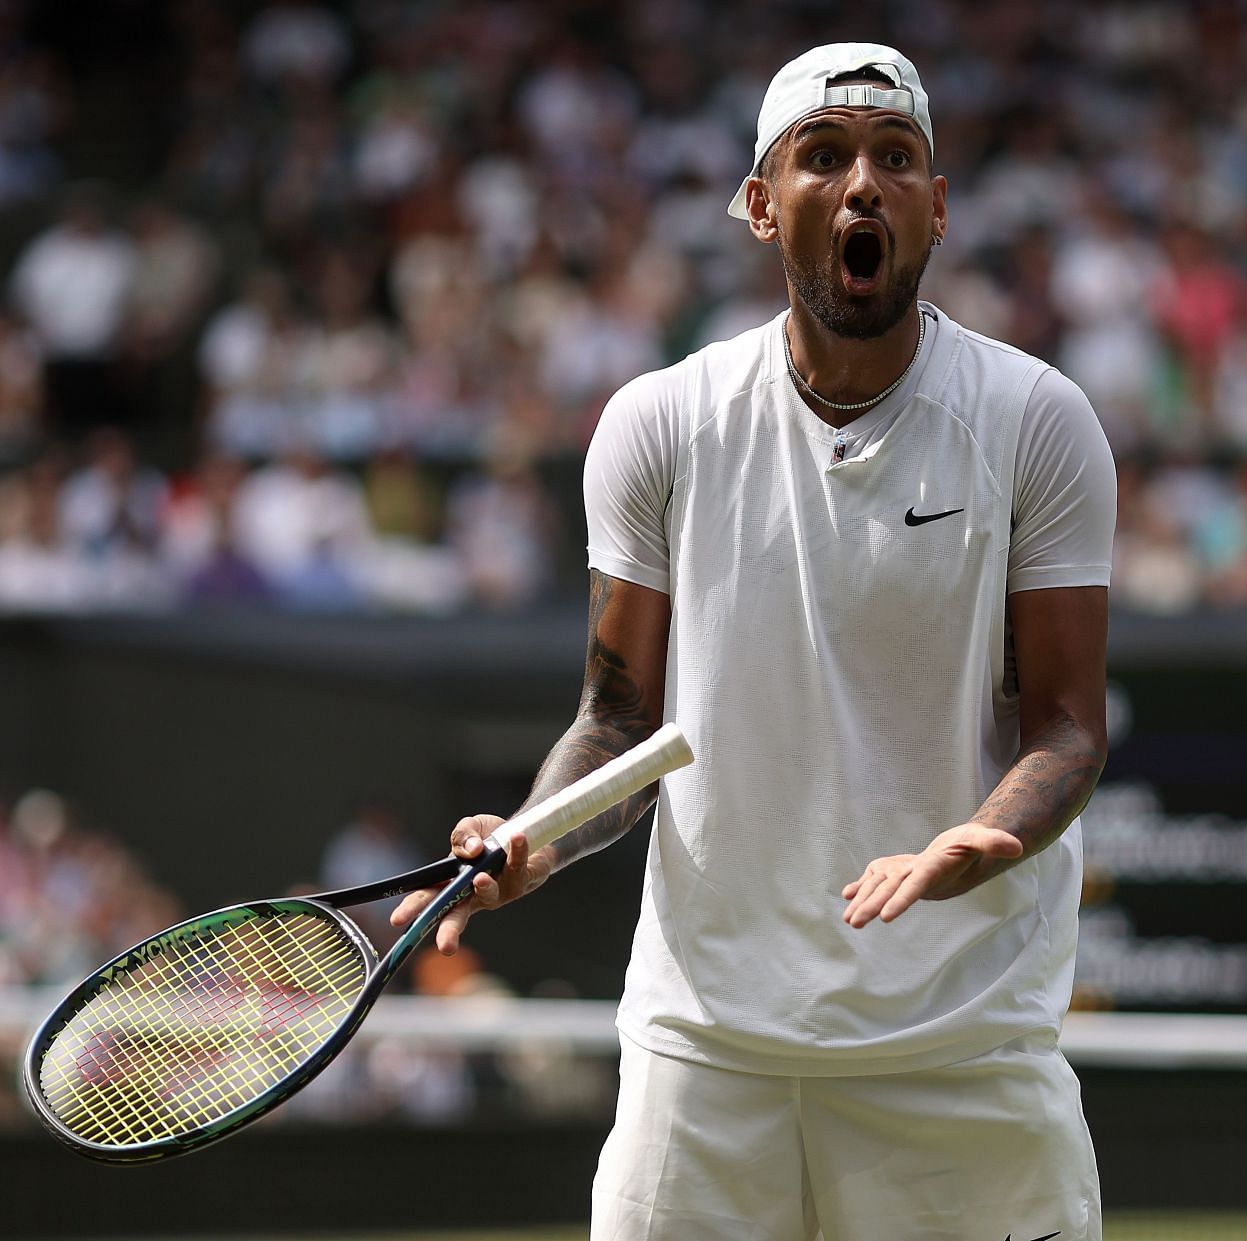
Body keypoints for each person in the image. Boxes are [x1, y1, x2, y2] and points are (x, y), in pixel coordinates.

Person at [394, 43, 1115, 1240]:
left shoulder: (1039, 421)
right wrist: (535, 838)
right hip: (707, 1051)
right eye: (822, 157)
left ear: (937, 208)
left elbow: (1068, 726)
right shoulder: (660, 424)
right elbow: (619, 720)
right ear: (758, 203)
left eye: (897, 158)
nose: (863, 185)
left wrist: (986, 838)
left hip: (960, 1043)